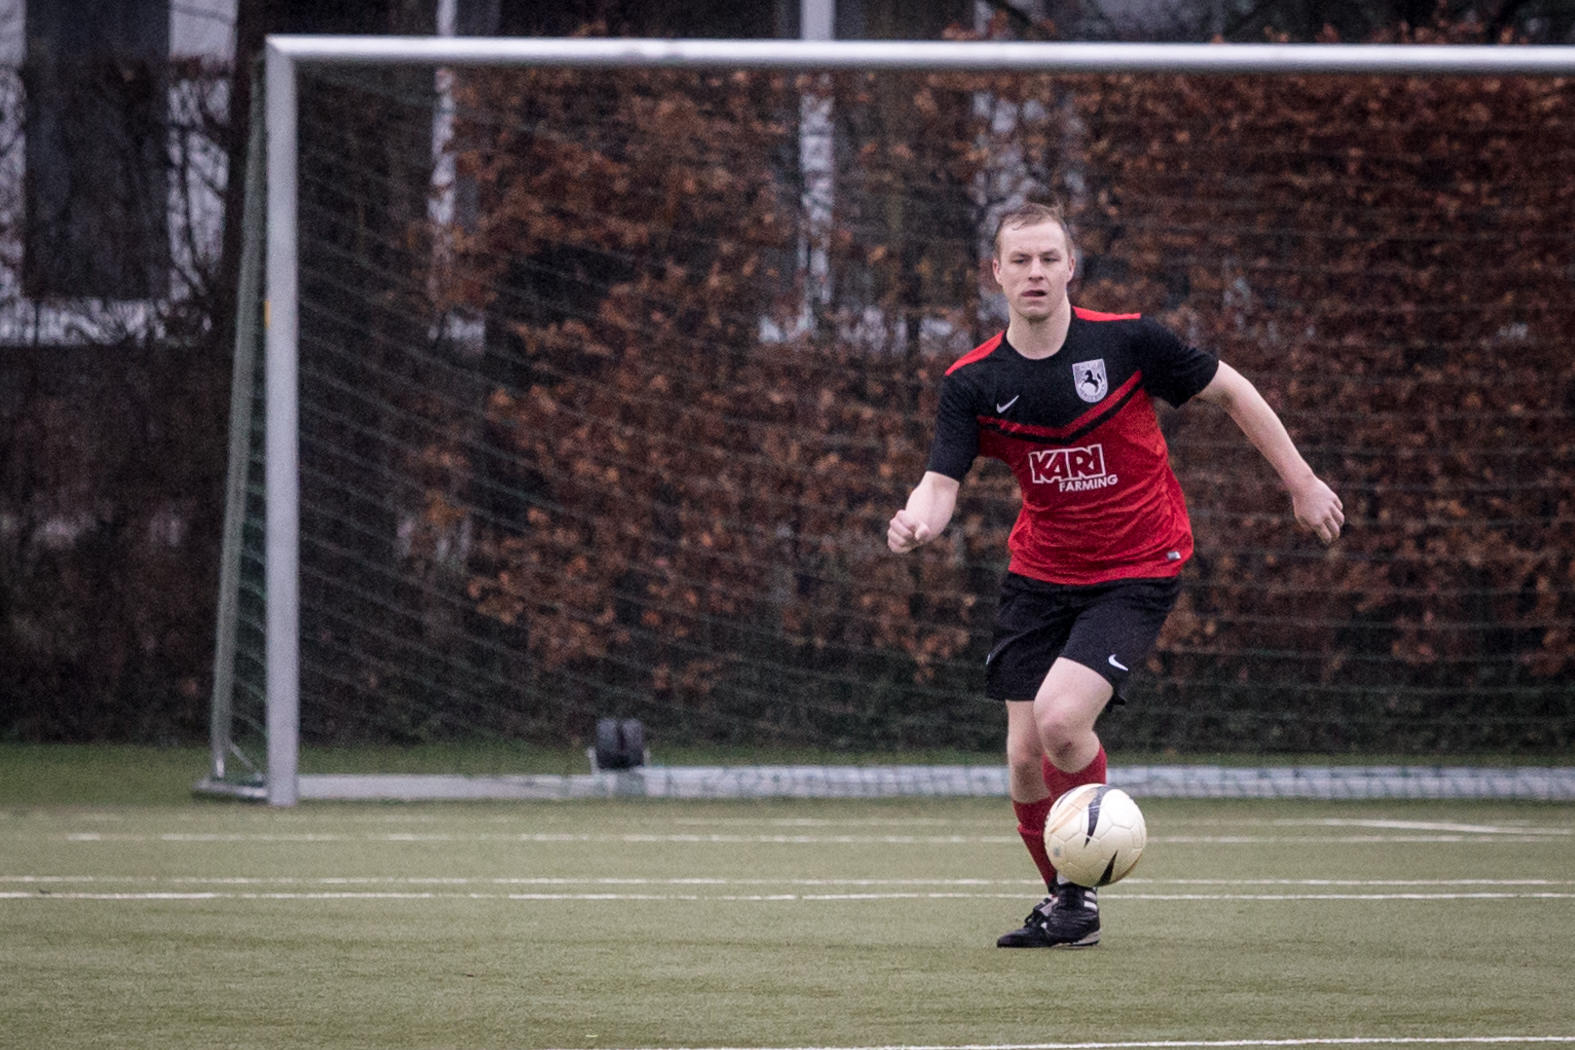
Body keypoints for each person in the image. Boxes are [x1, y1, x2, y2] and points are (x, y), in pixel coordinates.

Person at [887, 201, 1344, 948]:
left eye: (1049, 258)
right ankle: (1068, 906)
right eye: (1020, 260)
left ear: (1071, 266)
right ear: (995, 273)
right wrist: (916, 522)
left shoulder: (1128, 342)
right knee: (1023, 760)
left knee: (1061, 722)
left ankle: (1087, 869)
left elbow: (1232, 390)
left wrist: (1301, 482)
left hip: (1137, 565)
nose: (1035, 272)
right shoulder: (973, 380)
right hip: (1040, 574)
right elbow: (939, 485)